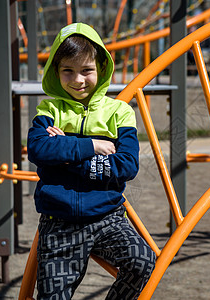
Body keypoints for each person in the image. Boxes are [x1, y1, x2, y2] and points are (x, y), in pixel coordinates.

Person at [27, 23, 156, 300]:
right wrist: (92, 146)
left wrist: (64, 156)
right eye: (68, 71)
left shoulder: (119, 113)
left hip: (107, 219)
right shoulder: (50, 109)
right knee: (52, 296)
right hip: (58, 221)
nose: (78, 80)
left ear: (101, 68)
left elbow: (126, 167)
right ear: (55, 71)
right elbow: (38, 150)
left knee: (142, 261)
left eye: (86, 70)